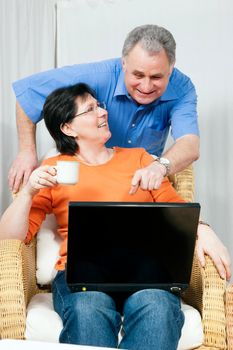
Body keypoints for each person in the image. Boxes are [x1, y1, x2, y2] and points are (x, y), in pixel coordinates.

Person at [1, 83, 229, 350]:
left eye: (99, 105)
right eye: (90, 109)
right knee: (89, 309)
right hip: (82, 279)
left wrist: (204, 229)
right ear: (68, 128)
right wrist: (28, 191)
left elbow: (178, 211)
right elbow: (9, 237)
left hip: (147, 274)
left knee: (157, 308)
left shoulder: (141, 160)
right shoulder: (53, 170)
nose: (102, 112)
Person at [9, 24, 200, 194]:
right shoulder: (96, 76)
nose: (146, 86)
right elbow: (30, 94)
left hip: (140, 184)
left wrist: (159, 167)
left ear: (171, 68)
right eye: (138, 75)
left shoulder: (182, 88)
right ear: (123, 63)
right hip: (88, 179)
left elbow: (189, 144)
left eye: (156, 77)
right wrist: (27, 151)